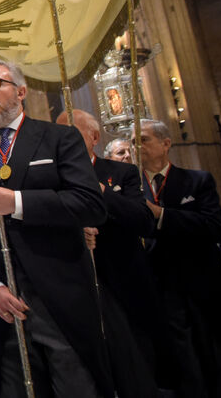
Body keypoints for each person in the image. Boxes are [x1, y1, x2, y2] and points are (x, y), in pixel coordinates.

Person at [0, 57, 112, 397]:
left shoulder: (58, 139)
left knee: (75, 386)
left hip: (57, 293)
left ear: (21, 91)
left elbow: (90, 205)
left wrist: (19, 203)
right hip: (2, 304)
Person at [56, 110, 159, 398]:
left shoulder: (123, 174)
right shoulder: (53, 179)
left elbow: (143, 220)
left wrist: (100, 191)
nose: (64, 140)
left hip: (123, 280)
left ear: (94, 137)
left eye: (72, 132)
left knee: (137, 367)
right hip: (78, 284)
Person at [135, 118, 221, 397]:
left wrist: (163, 216)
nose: (138, 147)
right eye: (134, 141)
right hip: (158, 284)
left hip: (200, 281)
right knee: (179, 356)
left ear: (166, 144)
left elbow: (213, 226)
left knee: (211, 350)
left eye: (145, 139)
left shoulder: (197, 180)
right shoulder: (132, 189)